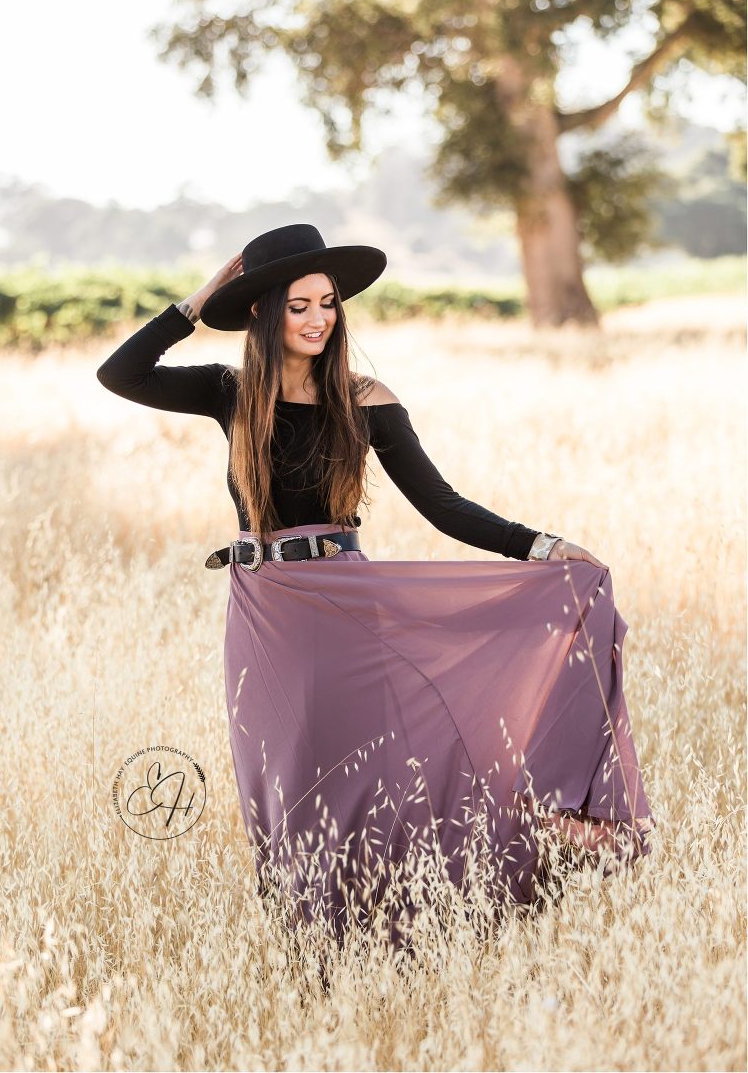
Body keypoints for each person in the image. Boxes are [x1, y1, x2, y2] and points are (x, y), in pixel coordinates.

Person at [96, 223, 653, 950]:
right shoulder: (228, 392)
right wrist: (204, 297)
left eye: (327, 302)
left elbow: (443, 504)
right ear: (263, 312)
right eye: (299, 305)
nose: (320, 318)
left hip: (348, 609)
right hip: (264, 618)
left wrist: (542, 547)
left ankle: (407, 929)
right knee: (285, 785)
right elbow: (121, 372)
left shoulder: (366, 397)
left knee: (374, 773)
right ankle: (316, 950)